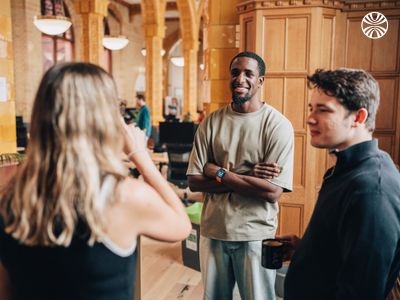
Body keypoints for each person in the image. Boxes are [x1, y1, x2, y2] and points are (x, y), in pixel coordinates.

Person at [0, 63, 191, 300]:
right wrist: (140, 156)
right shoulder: (122, 196)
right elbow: (181, 226)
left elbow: (6, 290)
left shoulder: (10, 195)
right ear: (105, 120)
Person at [279, 68, 400, 299]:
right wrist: (304, 250)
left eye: (323, 110)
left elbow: (360, 292)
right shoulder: (345, 170)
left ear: (359, 117)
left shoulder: (372, 189)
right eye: (311, 108)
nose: (310, 118)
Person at [186, 51, 294, 300]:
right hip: (214, 231)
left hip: (256, 235)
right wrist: (248, 176)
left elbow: (271, 192)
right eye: (235, 72)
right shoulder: (211, 123)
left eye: (248, 73)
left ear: (261, 81)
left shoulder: (278, 125)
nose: (240, 78)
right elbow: (194, 181)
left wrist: (220, 172)